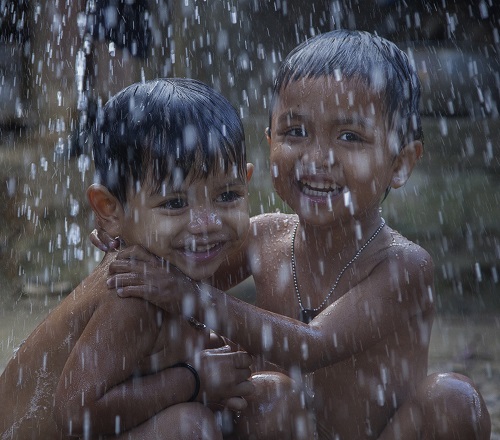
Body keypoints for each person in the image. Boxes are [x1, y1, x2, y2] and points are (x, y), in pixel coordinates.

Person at [100, 31, 491, 439]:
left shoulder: (404, 265)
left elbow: (311, 346)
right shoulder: (262, 238)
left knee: (454, 399)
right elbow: (169, 277)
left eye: (350, 137)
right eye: (296, 132)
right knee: (269, 394)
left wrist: (188, 296)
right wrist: (130, 240)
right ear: (269, 143)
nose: (317, 158)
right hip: (281, 426)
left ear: (400, 162)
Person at [0, 78, 256, 439]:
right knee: (187, 428)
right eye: (174, 203)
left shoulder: (168, 262)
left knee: (268, 395)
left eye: (228, 196)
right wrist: (195, 378)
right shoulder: (133, 294)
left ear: (247, 182)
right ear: (109, 210)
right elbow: (76, 413)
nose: (206, 224)